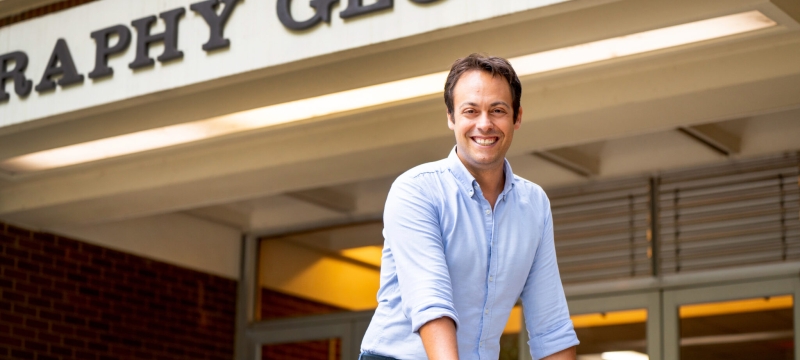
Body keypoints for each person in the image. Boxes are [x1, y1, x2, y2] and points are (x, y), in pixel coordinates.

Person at [359, 54, 579, 360]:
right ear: (451, 118)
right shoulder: (416, 190)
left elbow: (550, 327)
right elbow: (432, 305)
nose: (484, 124)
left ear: (517, 117)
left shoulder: (534, 204)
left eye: (498, 110)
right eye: (470, 111)